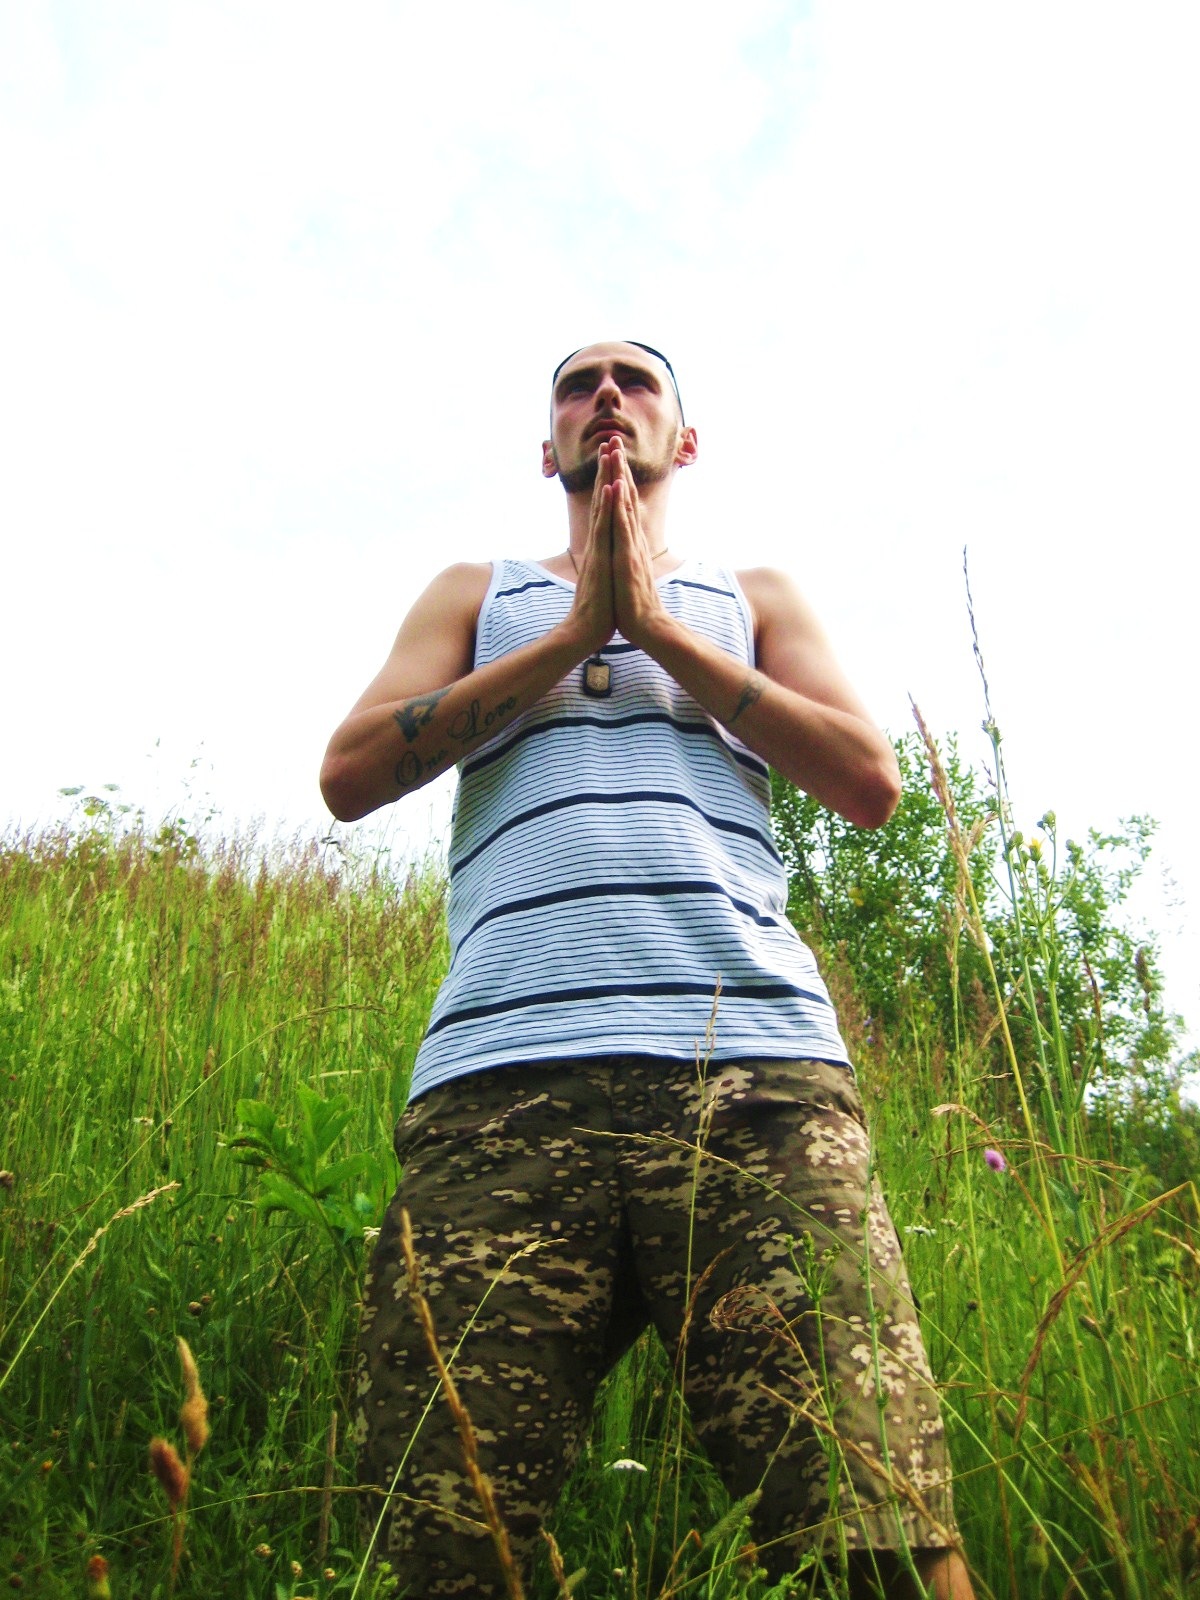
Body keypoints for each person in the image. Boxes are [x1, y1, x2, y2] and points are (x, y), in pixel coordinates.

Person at [320, 341, 975, 1599]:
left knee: (874, 1528)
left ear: (686, 439)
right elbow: (349, 774)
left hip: (757, 1081)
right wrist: (575, 633)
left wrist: (657, 632)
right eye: (578, 385)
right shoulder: (478, 591)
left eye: (636, 380)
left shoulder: (753, 595)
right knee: (438, 1544)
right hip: (500, 1088)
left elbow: (869, 781)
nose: (607, 396)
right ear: (548, 446)